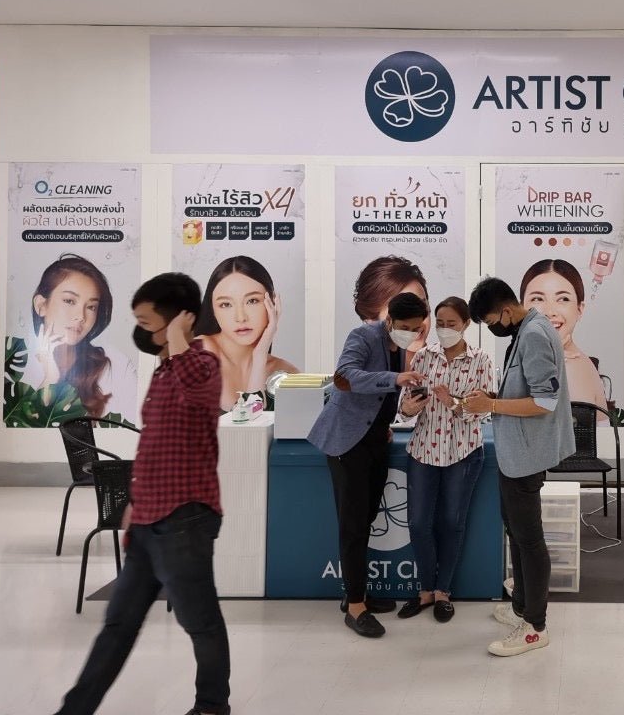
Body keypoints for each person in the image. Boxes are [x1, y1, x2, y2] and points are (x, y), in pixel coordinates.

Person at [53, 273, 229, 715]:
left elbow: (197, 393)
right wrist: (136, 500)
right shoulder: (166, 369)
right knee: (118, 624)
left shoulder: (203, 365)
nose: (141, 332)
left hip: (185, 517)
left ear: (178, 320)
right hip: (150, 519)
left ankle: (211, 706)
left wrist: (180, 338)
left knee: (200, 622)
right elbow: (154, 443)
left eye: (148, 323)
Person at [462, 277, 574, 657]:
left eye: (491, 320)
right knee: (516, 530)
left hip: (527, 455)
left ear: (506, 310)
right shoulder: (525, 330)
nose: (492, 327)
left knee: (529, 539)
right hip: (515, 453)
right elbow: (525, 390)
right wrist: (494, 397)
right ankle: (521, 607)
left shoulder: (535, 335)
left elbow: (544, 401)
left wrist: (491, 406)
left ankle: (535, 627)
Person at [308, 291, 427, 638]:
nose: (410, 333)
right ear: (389, 320)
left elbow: (381, 399)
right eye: (405, 327)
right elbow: (345, 377)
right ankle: (356, 606)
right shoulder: (363, 336)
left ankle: (355, 591)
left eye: (416, 329)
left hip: (375, 439)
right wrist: (394, 379)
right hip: (347, 442)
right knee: (354, 525)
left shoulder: (400, 348)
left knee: (368, 517)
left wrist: (386, 422)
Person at [395, 297, 495, 623]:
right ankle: (425, 590)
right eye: (440, 323)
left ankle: (443, 592)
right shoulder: (423, 357)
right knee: (418, 523)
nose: (445, 329)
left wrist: (451, 402)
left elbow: (482, 411)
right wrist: (408, 408)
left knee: (451, 523)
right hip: (424, 450)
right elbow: (404, 408)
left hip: (463, 452)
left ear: (466, 324)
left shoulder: (481, 360)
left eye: (452, 323)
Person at [194, 255, 298, 411]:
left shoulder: (286, 374)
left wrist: (259, 357)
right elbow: (249, 421)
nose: (240, 317)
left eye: (252, 301)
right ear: (213, 310)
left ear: (273, 303)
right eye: (226, 304)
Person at [22, 254, 115, 419]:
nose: (81, 316)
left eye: (91, 307)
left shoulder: (113, 368)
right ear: (41, 305)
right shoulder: (14, 368)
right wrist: (51, 377)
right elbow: (26, 427)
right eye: (70, 301)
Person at [520, 259, 608, 414]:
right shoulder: (545, 360)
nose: (549, 312)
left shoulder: (568, 368)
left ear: (580, 309)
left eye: (563, 299)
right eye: (537, 299)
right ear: (521, 308)